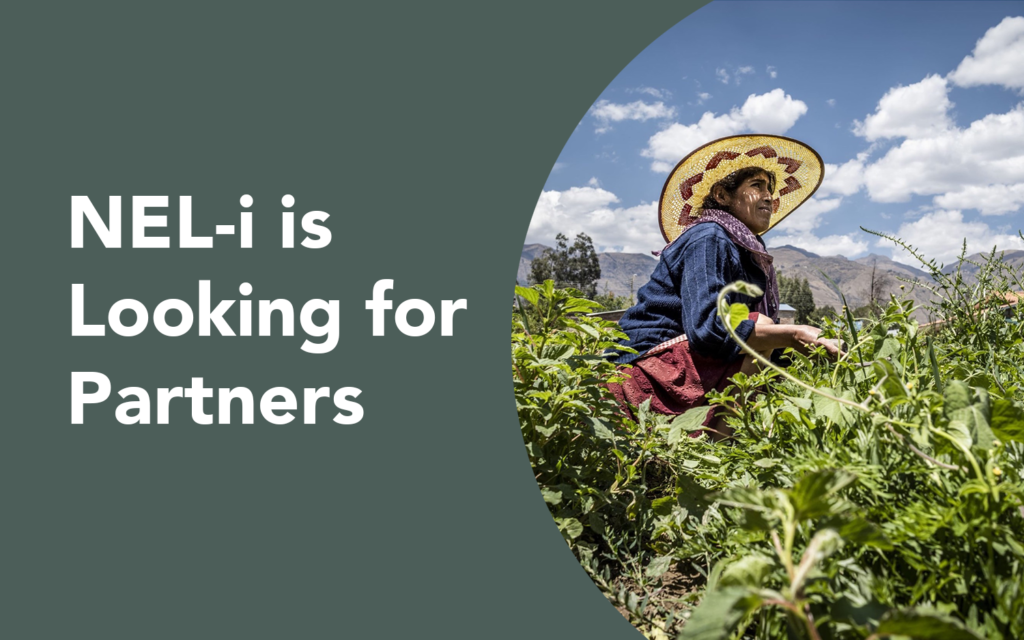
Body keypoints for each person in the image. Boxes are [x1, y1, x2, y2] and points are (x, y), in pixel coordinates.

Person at [607, 134, 840, 437]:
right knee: (762, 325)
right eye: (757, 186)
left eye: (770, 188)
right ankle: (713, 454)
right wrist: (793, 333)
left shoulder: (744, 251)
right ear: (722, 195)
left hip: (685, 359)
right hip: (647, 365)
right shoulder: (709, 237)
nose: (769, 196)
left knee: (777, 348)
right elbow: (708, 329)